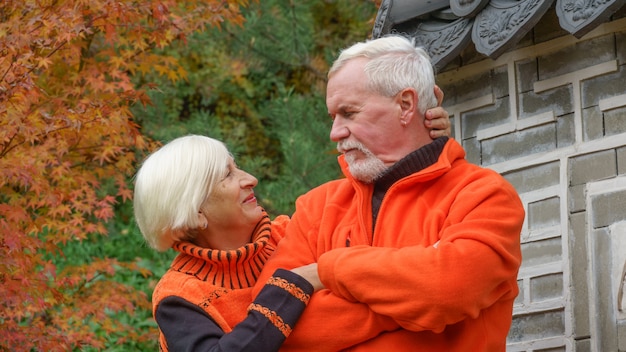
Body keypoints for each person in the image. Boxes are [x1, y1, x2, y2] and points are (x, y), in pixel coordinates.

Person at [253, 34, 525, 351]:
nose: (334, 133)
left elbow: (445, 289)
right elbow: (270, 327)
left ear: (406, 105)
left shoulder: (484, 195)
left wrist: (328, 271)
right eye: (333, 117)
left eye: (349, 113)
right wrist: (411, 298)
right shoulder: (317, 208)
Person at [131, 103, 450, 352]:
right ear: (196, 211)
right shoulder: (179, 296)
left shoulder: (287, 235)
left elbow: (375, 207)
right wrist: (301, 280)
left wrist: (419, 143)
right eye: (228, 175)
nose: (249, 178)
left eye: (237, 166)